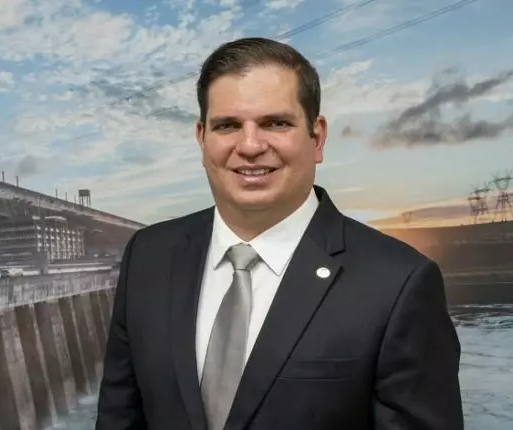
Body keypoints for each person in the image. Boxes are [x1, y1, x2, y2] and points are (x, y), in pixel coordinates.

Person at [96, 37, 464, 430]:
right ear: (202, 139)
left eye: (276, 123)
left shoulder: (398, 283)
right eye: (227, 125)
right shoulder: (149, 256)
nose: (250, 145)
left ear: (317, 137)